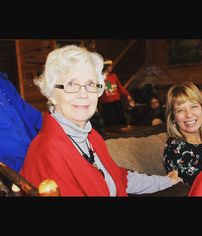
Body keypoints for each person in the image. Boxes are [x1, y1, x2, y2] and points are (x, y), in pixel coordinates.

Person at [20, 45, 182, 196]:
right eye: (71, 84)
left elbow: (118, 177)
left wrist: (166, 181)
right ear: (51, 94)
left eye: (90, 84)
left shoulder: (91, 136)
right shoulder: (48, 151)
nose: (84, 94)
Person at [163, 82, 202, 186]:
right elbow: (199, 187)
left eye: (193, 106)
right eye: (180, 110)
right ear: (172, 117)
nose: (189, 115)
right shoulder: (175, 149)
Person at [0, 72, 42, 172]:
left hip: (32, 157)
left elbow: (28, 113)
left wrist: (57, 127)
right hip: (8, 171)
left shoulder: (4, 83)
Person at [99, 59, 133, 127]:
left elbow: (120, 87)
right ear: (106, 66)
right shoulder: (99, 77)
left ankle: (124, 131)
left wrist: (127, 95)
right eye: (110, 66)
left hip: (116, 100)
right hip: (106, 102)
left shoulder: (113, 75)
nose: (112, 67)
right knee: (109, 120)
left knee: (121, 117)